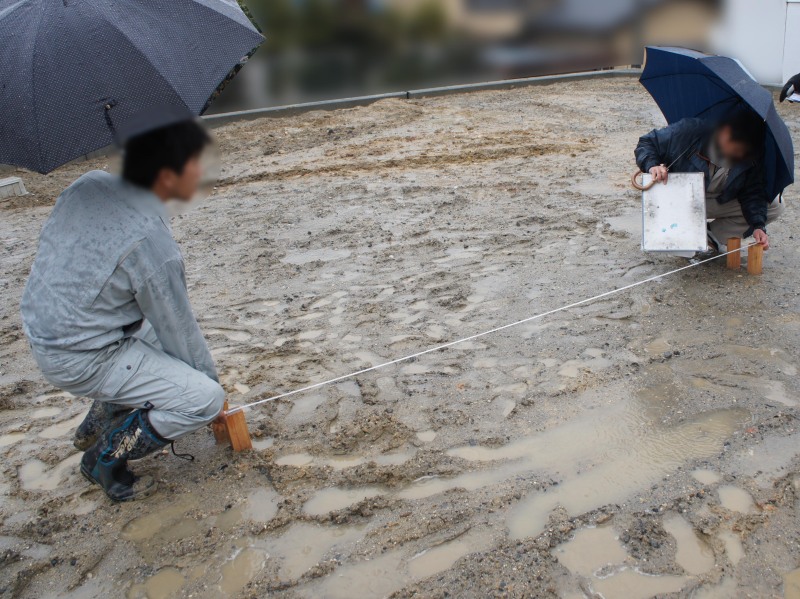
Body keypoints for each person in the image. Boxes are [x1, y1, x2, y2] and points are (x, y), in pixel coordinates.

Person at [21, 119, 225, 502]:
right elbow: (178, 331)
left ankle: (101, 418)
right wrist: (213, 399)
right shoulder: (150, 244)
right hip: (81, 357)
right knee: (202, 397)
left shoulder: (88, 184)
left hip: (46, 328)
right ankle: (106, 456)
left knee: (159, 352)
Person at [634, 107, 783, 254]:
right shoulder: (689, 130)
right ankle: (683, 230)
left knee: (775, 205)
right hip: (681, 198)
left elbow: (753, 191)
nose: (739, 156)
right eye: (736, 150)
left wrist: (758, 225)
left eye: (743, 153)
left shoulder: (752, 154)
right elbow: (647, 143)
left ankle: (711, 235)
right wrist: (652, 165)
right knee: (678, 245)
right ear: (725, 133)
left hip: (717, 199)